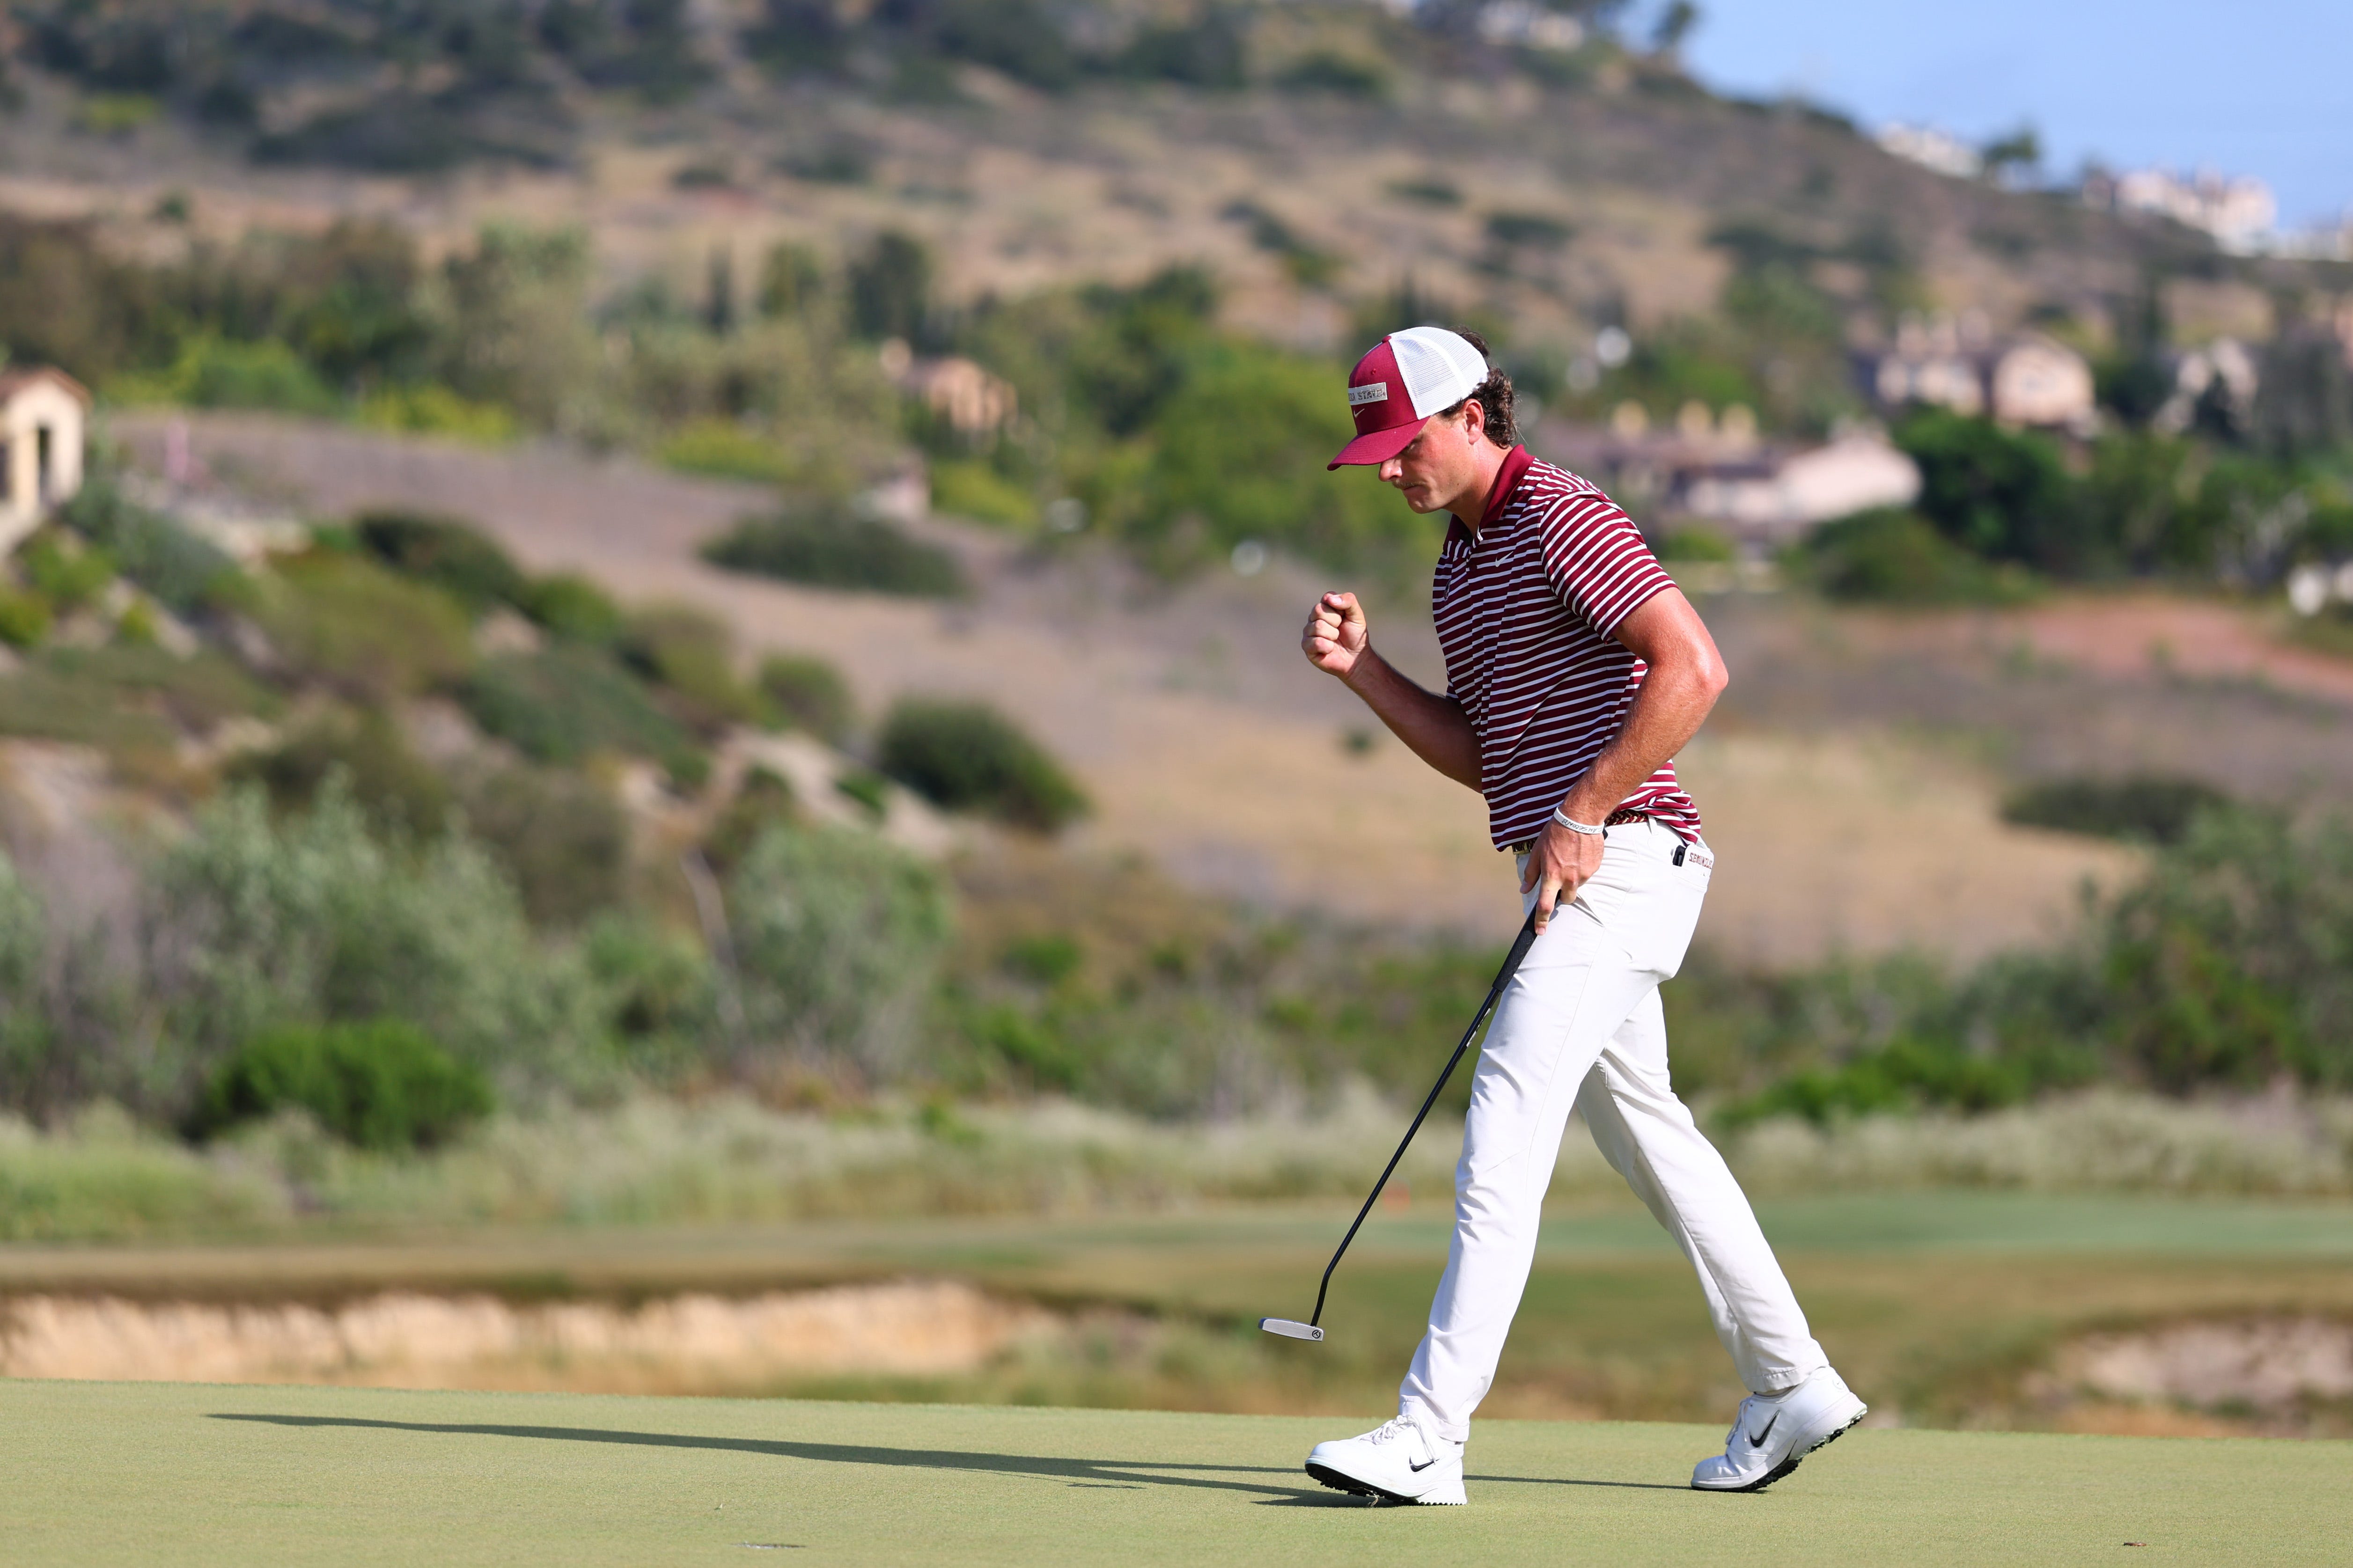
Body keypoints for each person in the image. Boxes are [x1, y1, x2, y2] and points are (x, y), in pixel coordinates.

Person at [1296, 326, 1863, 1506]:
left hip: (1625, 863)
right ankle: (1790, 1378)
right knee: (1650, 1138)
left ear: (1469, 417)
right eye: (1378, 458)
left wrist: (1589, 808)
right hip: (1572, 870)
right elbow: (1486, 751)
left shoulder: (1565, 514)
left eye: (1406, 448)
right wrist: (1366, 672)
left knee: (1502, 1120)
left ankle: (1427, 1433)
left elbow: (1692, 668)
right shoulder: (1458, 565)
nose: (1393, 473)